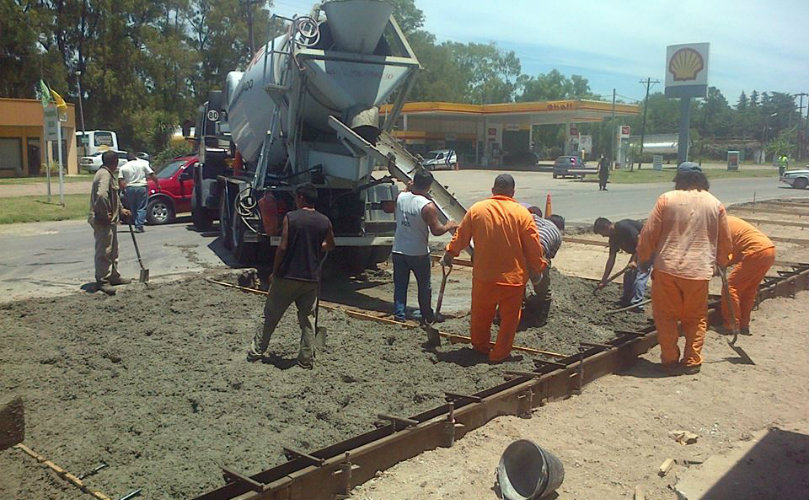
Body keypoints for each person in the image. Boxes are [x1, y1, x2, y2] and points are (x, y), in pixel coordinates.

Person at [636, 162, 732, 376]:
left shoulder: (667, 199)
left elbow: (648, 233)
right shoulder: (715, 204)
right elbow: (725, 240)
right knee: (696, 317)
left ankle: (669, 361)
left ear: (679, 179)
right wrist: (722, 262)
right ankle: (692, 361)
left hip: (667, 269)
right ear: (702, 180)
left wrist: (643, 258)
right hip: (698, 272)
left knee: (666, 316)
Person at [442, 174, 545, 363]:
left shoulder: (477, 210)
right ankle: (499, 354)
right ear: (513, 192)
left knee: (481, 315)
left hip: (484, 277)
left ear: (493, 190)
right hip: (512, 280)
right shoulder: (522, 214)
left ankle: (480, 347)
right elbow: (533, 245)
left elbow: (462, 236)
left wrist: (450, 253)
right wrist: (537, 268)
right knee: (509, 321)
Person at [247, 183, 335, 369]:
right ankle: (305, 358)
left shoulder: (291, 217)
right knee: (308, 321)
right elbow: (330, 244)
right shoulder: (324, 221)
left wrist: (275, 271)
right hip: (311, 279)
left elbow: (283, 246)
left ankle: (256, 351)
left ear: (301, 198)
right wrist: (315, 248)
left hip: (287, 275)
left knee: (270, 316)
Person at [392, 170, 458, 323]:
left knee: (400, 285)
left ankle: (399, 315)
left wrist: (408, 188)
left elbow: (404, 195)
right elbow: (436, 231)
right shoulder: (427, 206)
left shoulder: (400, 197)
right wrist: (448, 225)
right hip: (418, 253)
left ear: (413, 182)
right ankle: (427, 315)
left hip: (399, 250)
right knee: (424, 286)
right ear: (429, 186)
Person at [718, 216, 776, 336]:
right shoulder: (728, 221)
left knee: (730, 287)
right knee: (748, 290)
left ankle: (731, 325)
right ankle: (744, 325)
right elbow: (736, 249)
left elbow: (724, 251)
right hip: (769, 250)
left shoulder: (718, 227)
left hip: (756, 252)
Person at [89, 150, 132, 296]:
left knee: (113, 249)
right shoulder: (104, 175)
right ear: (114, 162)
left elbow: (113, 195)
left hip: (110, 220)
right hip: (102, 221)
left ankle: (113, 275)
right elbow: (101, 195)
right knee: (104, 250)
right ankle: (102, 280)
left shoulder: (108, 174)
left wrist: (121, 209)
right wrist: (104, 213)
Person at [594, 217, 650, 311]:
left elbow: (641, 241)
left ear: (606, 227)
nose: (603, 236)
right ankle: (626, 300)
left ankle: (637, 304)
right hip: (638, 252)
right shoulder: (613, 239)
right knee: (628, 274)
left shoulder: (622, 227)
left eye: (601, 233)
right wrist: (604, 280)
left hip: (649, 246)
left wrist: (634, 260)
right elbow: (611, 259)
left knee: (640, 275)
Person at [522, 206, 563, 327]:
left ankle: (519, 306)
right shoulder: (558, 236)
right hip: (538, 251)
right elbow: (548, 258)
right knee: (543, 289)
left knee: (516, 282)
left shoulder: (537, 219)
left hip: (522, 247)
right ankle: (540, 318)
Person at [118, 152, 157, 232]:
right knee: (142, 207)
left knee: (133, 207)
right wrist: (157, 183)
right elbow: (151, 174)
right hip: (141, 186)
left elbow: (120, 180)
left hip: (130, 187)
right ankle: (139, 225)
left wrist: (122, 189)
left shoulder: (123, 167)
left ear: (127, 159)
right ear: (135, 157)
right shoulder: (142, 164)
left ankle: (136, 223)